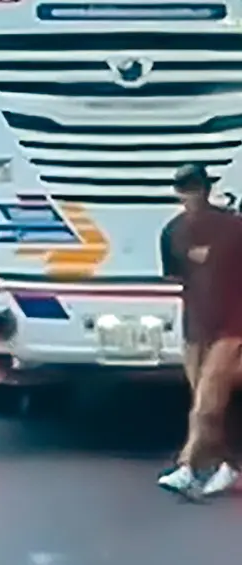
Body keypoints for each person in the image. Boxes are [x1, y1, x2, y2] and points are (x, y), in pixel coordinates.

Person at [157, 163, 242, 496]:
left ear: (206, 189)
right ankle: (228, 465)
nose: (190, 194)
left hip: (233, 325)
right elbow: (177, 278)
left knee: (207, 401)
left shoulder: (234, 228)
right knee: (207, 404)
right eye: (184, 188)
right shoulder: (172, 232)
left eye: (195, 187)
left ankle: (187, 468)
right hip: (196, 327)